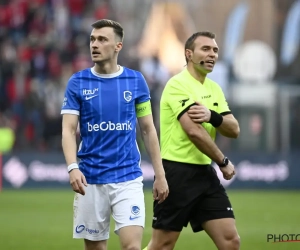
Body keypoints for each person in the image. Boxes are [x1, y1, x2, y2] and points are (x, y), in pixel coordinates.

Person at [61, 19, 169, 250]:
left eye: (102, 39)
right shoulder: (77, 82)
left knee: (131, 247)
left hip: (127, 177)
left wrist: (160, 174)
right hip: (90, 180)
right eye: (92, 39)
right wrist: (73, 167)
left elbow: (148, 129)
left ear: (118, 46)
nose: (94, 45)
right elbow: (68, 130)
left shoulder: (136, 81)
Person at [144, 31, 241, 250]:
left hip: (204, 175)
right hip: (176, 174)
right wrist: (223, 162)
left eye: (215, 50)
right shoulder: (177, 84)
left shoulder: (214, 88)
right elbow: (194, 132)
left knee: (231, 241)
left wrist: (212, 116)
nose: (212, 54)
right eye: (205, 49)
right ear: (189, 54)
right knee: (162, 245)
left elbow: (234, 129)